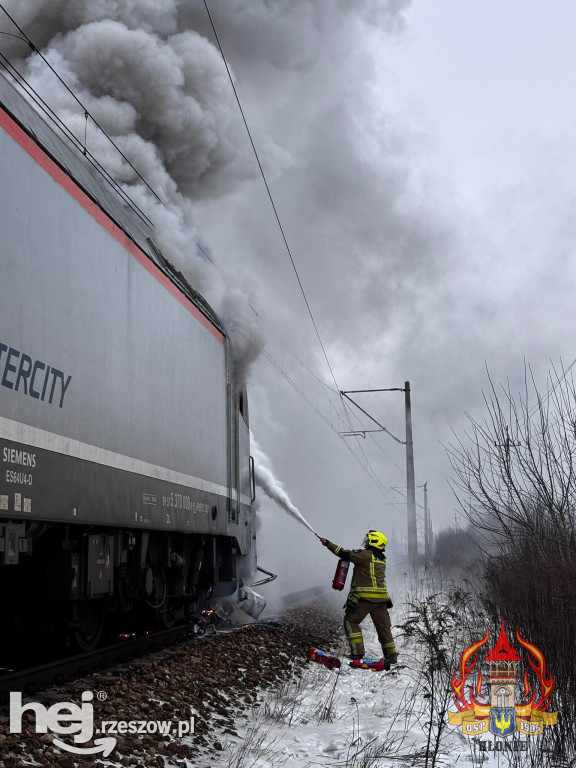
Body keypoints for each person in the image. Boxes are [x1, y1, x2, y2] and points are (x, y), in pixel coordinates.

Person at [320, 530, 398, 663]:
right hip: (381, 600)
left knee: (350, 621)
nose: (366, 542)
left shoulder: (365, 555)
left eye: (368, 540)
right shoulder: (381, 559)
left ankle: (357, 653)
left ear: (374, 542)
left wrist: (327, 543)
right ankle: (391, 656)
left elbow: (343, 553)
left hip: (366, 598)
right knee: (383, 628)